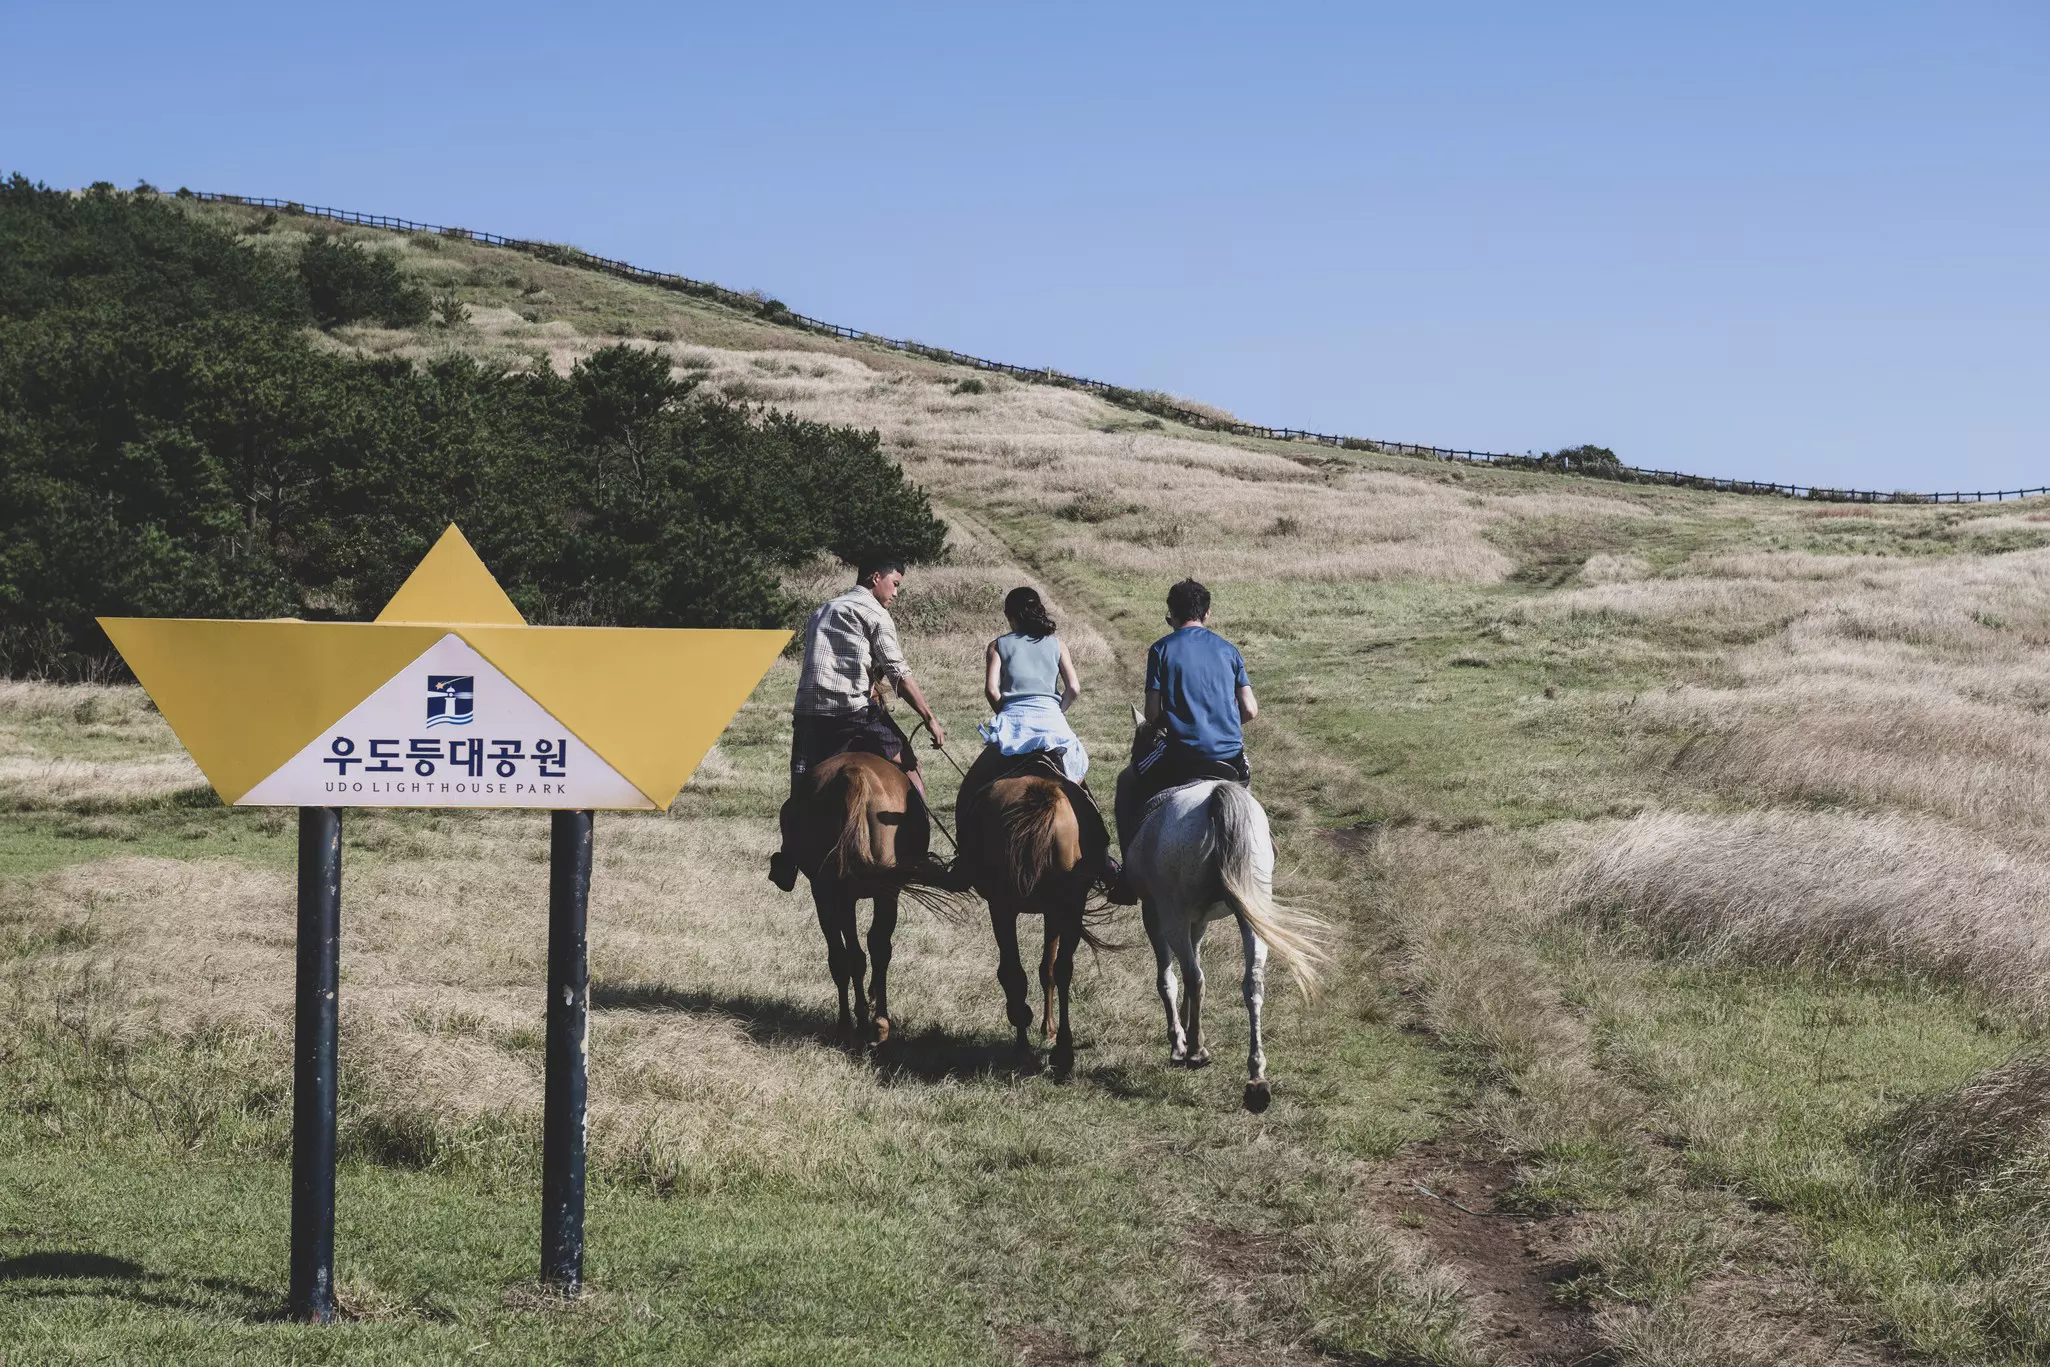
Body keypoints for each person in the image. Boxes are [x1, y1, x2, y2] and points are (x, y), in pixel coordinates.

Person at [768, 558, 947, 892]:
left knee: (800, 789)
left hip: (809, 714)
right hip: (854, 713)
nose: (896, 593)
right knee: (908, 764)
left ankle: (789, 856)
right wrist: (929, 717)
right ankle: (917, 848)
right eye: (895, 584)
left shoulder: (821, 611)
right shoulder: (875, 613)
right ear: (876, 577)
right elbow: (897, 671)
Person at [957, 586, 1127, 899]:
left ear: (1010, 616)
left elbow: (992, 691)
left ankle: (964, 861)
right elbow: (1073, 688)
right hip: (1052, 724)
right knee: (1081, 793)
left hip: (1014, 723)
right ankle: (1103, 862)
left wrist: (1007, 714)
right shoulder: (1056, 644)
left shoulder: (997, 645)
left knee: (972, 789)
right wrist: (1056, 712)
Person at [1115, 578, 1257, 851]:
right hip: (1230, 756)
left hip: (1182, 755)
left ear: (1172, 614)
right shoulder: (1229, 650)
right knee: (1248, 800)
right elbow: (1250, 709)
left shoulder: (1161, 649)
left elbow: (1152, 713)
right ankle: (1266, 845)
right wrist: (1220, 720)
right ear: (1207, 613)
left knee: (1127, 782)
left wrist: (1182, 721)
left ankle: (1127, 876)